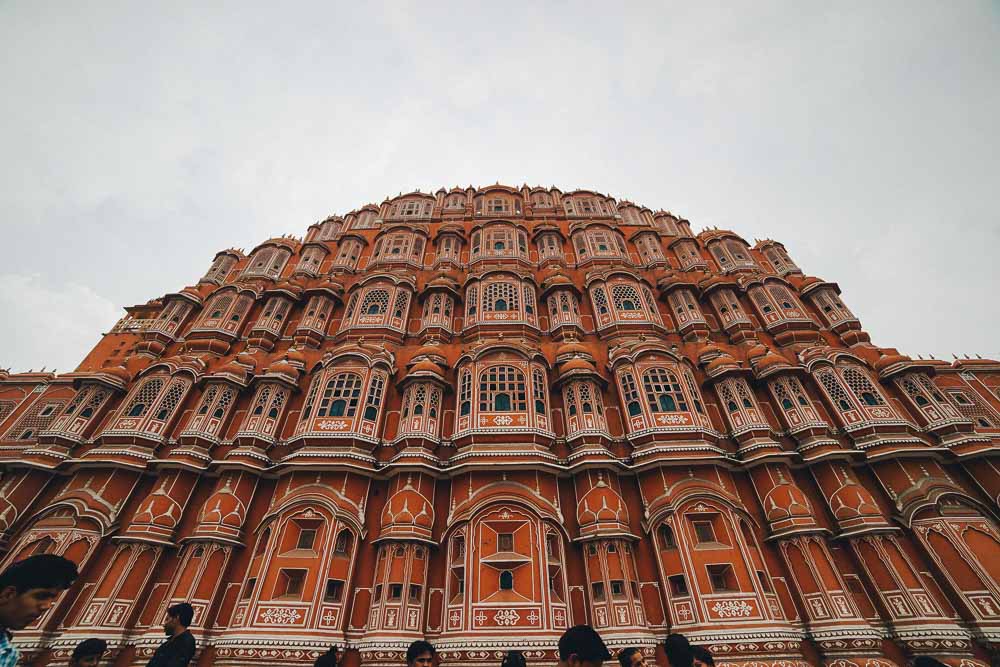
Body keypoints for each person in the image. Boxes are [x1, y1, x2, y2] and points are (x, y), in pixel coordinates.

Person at [0, 554, 79, 667]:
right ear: (8, 594)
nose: (47, 606)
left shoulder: (9, 654)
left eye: (52, 599)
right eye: (41, 596)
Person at [145, 602, 196, 667]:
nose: (164, 624)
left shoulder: (186, 642)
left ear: (176, 618)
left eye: (167, 619)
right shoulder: (168, 643)